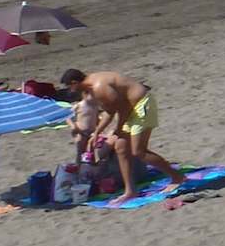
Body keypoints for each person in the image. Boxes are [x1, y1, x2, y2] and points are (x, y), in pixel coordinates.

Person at [62, 68, 187, 205]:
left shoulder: (99, 87)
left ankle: (177, 177)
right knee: (120, 146)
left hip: (141, 105)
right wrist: (97, 132)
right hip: (131, 109)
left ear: (74, 83)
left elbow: (123, 108)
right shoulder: (92, 86)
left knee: (139, 151)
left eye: (70, 87)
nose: (71, 91)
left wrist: (118, 129)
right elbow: (110, 112)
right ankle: (130, 191)